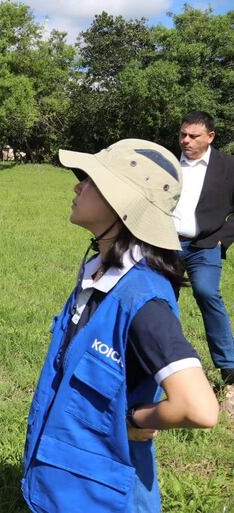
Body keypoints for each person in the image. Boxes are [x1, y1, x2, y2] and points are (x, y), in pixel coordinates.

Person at [23, 139, 220, 513]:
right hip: (64, 487)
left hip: (101, 499)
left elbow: (199, 408)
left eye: (90, 180)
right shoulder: (101, 275)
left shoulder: (142, 299)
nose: (76, 186)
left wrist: (131, 419)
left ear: (122, 204)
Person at [173, 111, 234, 415]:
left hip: (205, 246)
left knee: (208, 293)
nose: (186, 140)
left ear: (210, 136)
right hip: (167, 245)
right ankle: (163, 369)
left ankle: (229, 372)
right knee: (158, 302)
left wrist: (224, 238)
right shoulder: (168, 163)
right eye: (183, 134)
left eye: (193, 136)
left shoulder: (227, 166)